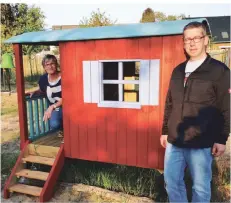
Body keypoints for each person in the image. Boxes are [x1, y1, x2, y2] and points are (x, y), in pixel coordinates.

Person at [160, 21, 230, 202]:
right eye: (187, 39)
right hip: (175, 141)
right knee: (171, 181)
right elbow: (169, 103)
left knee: (200, 187)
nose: (192, 43)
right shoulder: (178, 71)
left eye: (196, 38)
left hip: (202, 142)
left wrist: (222, 138)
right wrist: (165, 131)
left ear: (206, 40)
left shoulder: (219, 71)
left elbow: (226, 106)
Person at [27, 54, 63, 141]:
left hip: (69, 106)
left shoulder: (63, 76)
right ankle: (63, 130)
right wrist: (35, 91)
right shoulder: (43, 79)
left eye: (52, 63)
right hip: (57, 108)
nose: (50, 66)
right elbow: (43, 89)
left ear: (56, 65)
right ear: (44, 67)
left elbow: (68, 97)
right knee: (54, 124)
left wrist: (52, 107)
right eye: (47, 64)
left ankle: (68, 132)